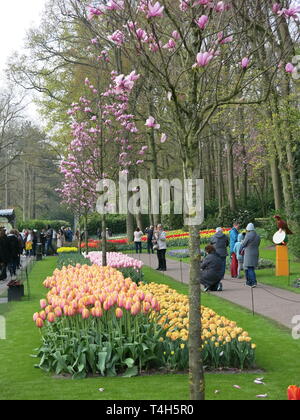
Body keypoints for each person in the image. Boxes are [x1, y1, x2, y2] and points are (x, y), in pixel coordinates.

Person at [240, 223, 261, 288]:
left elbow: (243, 244)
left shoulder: (248, 235)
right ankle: (249, 282)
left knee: (249, 268)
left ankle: (253, 282)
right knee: (251, 268)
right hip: (256, 252)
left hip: (249, 253)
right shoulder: (257, 235)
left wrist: (241, 243)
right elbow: (258, 244)